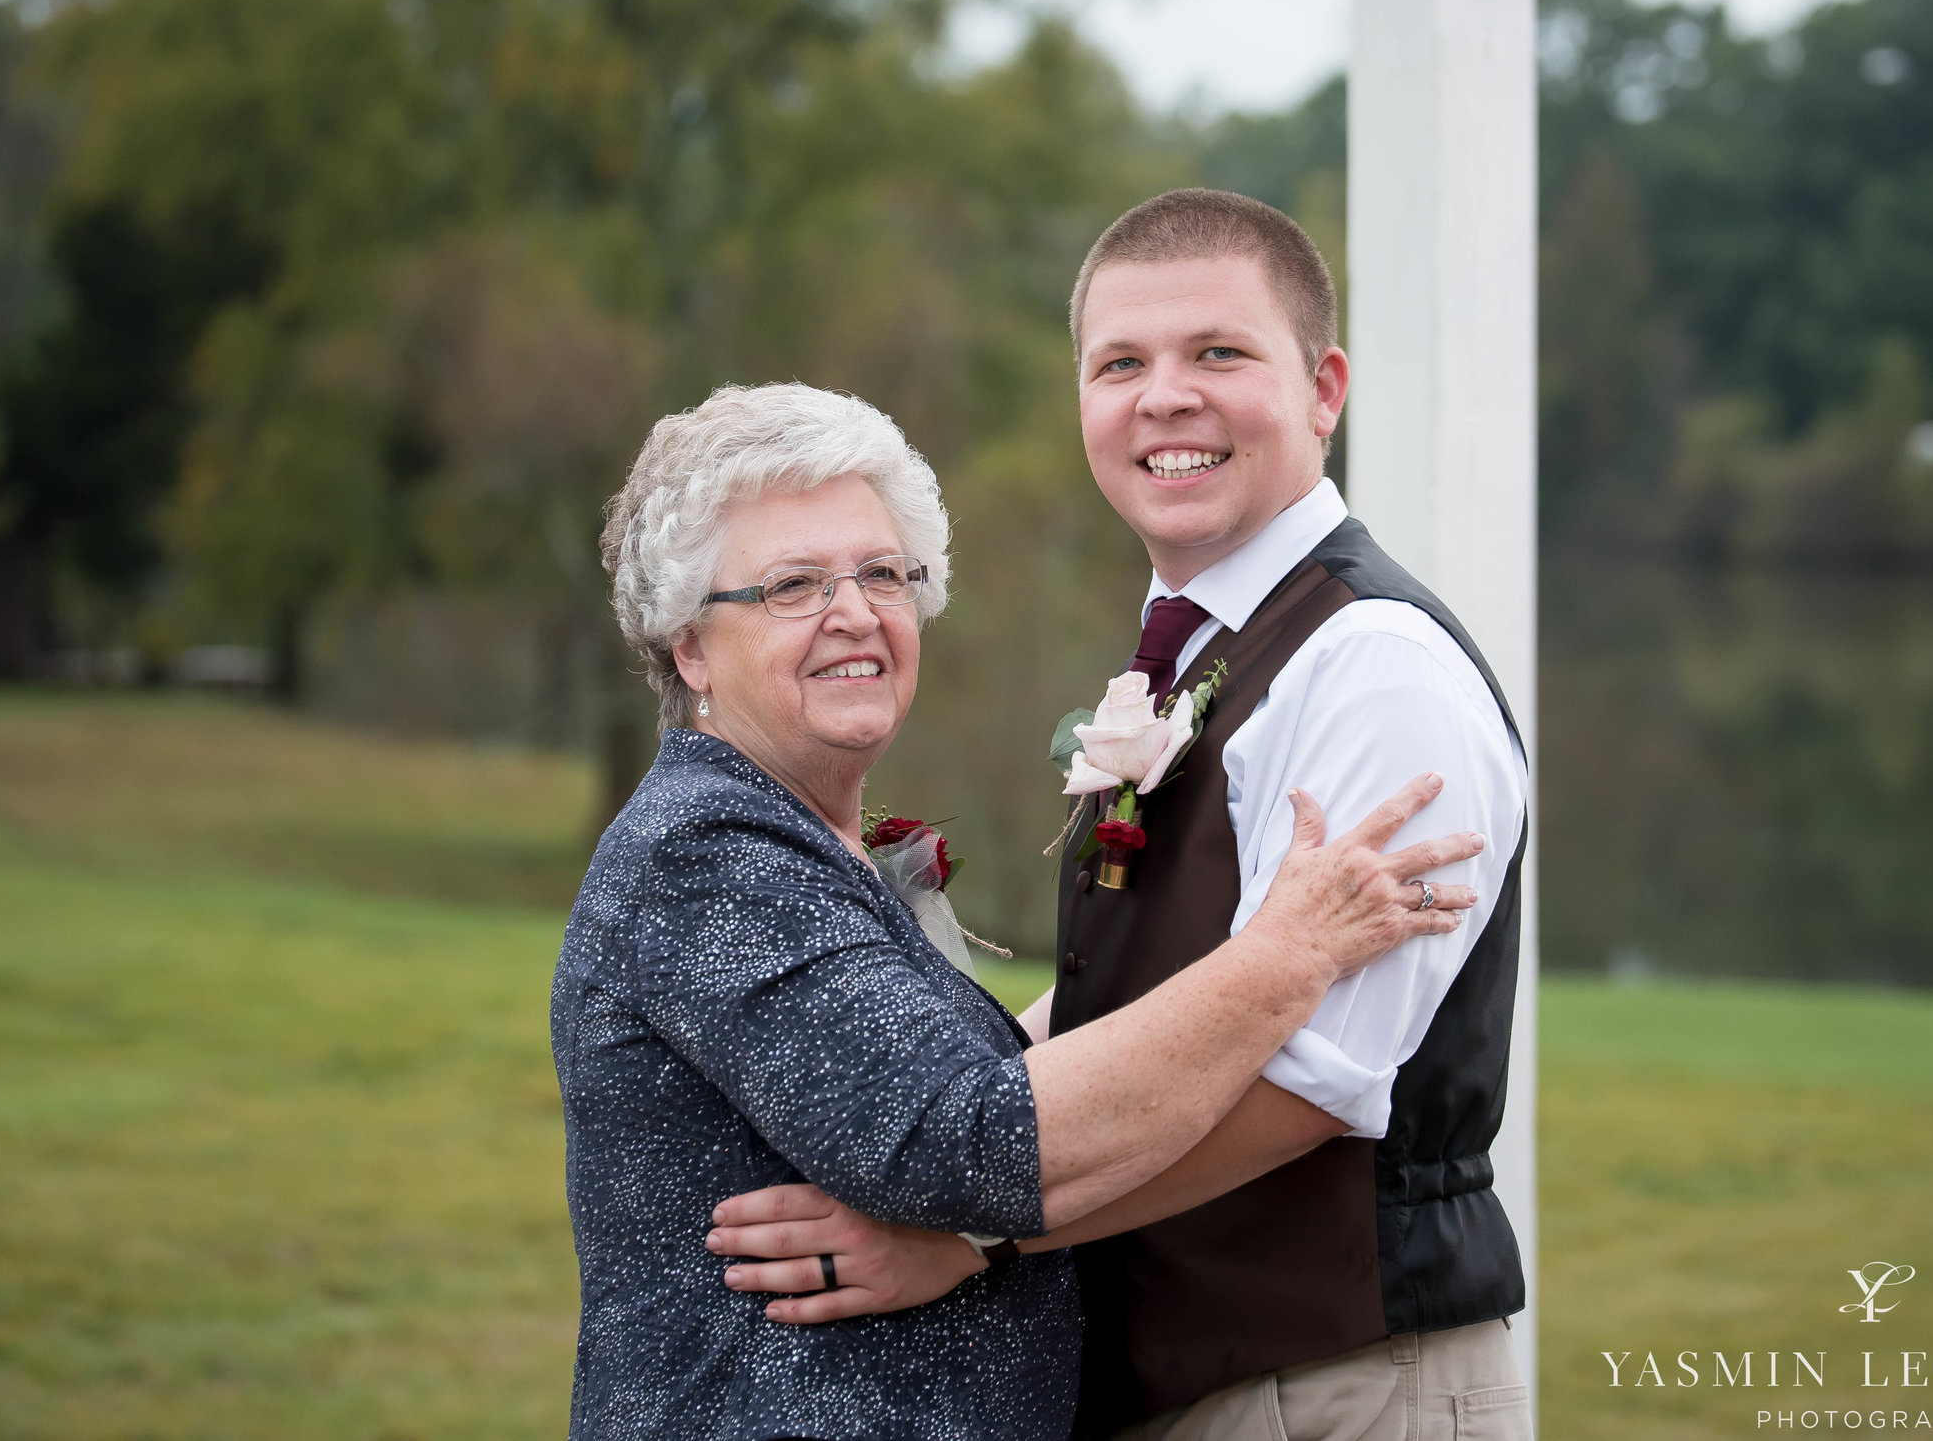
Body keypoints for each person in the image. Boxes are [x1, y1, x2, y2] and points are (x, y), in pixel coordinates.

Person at [707, 191, 1534, 1440]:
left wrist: (969, 1232)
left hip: (1335, 1384)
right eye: (1120, 364)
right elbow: (1141, 991)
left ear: (1322, 389)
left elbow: (1311, 1083)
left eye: (1218, 353)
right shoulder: (1199, 650)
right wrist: (933, 1119)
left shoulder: (1375, 668)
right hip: (1187, 1375)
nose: (1164, 398)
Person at [553, 380, 1490, 1440]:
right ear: (688, 647)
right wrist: (1284, 955)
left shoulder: (805, 851)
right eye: (791, 586)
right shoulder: (706, 856)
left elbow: (969, 1082)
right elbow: (969, 1141)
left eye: (881, 573)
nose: (853, 611)